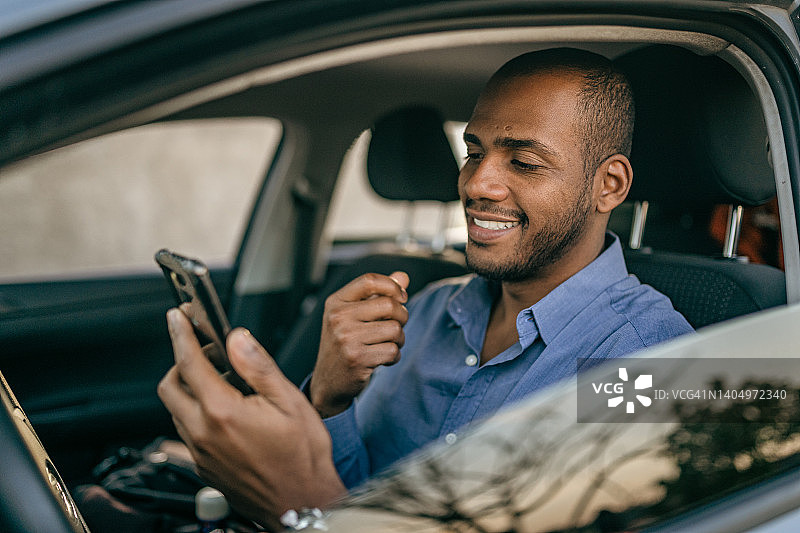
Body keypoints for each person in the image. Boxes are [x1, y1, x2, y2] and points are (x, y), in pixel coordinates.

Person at [158, 48, 693, 528]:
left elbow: (326, 508)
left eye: (525, 162)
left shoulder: (650, 364)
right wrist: (329, 398)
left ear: (609, 186)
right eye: (474, 152)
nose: (477, 184)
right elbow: (362, 495)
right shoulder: (427, 311)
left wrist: (300, 507)